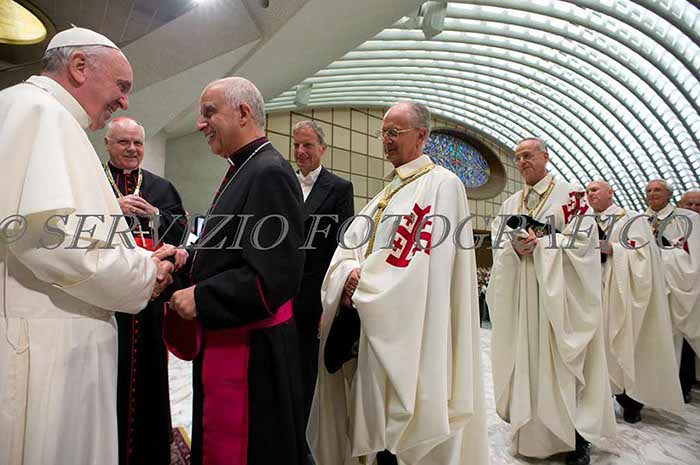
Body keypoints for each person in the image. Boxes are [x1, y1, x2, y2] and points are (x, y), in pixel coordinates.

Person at [0, 27, 179, 465]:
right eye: (121, 86)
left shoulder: (26, 107)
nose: (125, 101)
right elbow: (54, 244)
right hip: (47, 345)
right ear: (79, 66)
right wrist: (145, 274)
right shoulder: (42, 114)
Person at [309, 101, 489, 465]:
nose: (386, 140)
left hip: (412, 328)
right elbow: (349, 247)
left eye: (394, 132)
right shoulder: (385, 194)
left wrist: (365, 284)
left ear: (421, 135)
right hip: (369, 324)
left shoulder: (442, 185)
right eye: (383, 133)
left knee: (399, 429)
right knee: (370, 423)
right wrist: (347, 274)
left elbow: (425, 263)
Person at [164, 77, 307, 465]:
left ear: (243, 113)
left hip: (253, 355)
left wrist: (201, 296)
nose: (200, 124)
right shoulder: (245, 167)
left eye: (208, 113)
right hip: (231, 339)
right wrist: (185, 256)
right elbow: (227, 247)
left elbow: (273, 276)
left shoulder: (269, 172)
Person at [487, 138, 614, 465]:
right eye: (517, 157)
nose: (522, 162)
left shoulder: (572, 196)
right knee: (528, 362)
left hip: (561, 300)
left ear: (545, 156)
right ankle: (532, 431)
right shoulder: (511, 203)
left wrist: (542, 245)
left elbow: (585, 243)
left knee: (563, 366)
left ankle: (576, 439)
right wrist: (514, 248)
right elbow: (498, 243)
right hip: (523, 297)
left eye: (528, 155)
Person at [103, 116, 188, 465]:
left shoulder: (161, 187)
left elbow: (180, 232)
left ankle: (150, 450)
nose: (132, 149)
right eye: (123, 142)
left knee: (150, 375)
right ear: (107, 144)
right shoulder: (93, 181)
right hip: (106, 303)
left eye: (137, 143)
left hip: (150, 303)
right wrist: (112, 208)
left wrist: (155, 214)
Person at [586, 181, 683, 423]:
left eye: (595, 190)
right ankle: (600, 396)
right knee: (597, 347)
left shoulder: (631, 219)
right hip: (592, 290)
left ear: (611, 193)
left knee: (626, 342)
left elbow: (645, 255)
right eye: (587, 191)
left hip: (622, 292)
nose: (590, 194)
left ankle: (630, 402)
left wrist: (614, 249)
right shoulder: (584, 221)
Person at [291, 120, 354, 429]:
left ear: (323, 149)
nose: (301, 151)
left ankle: (304, 434)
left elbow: (343, 246)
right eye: (296, 145)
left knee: (307, 367)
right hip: (280, 292)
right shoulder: (283, 183)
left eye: (308, 145)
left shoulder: (339, 188)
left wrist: (330, 300)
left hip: (314, 294)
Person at [645, 180, 700, 403]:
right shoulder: (639, 220)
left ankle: (679, 387)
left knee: (679, 341)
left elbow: (692, 256)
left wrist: (661, 255)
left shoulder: (687, 219)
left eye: (658, 190)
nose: (653, 194)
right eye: (649, 190)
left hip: (677, 286)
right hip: (649, 287)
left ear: (669, 195)